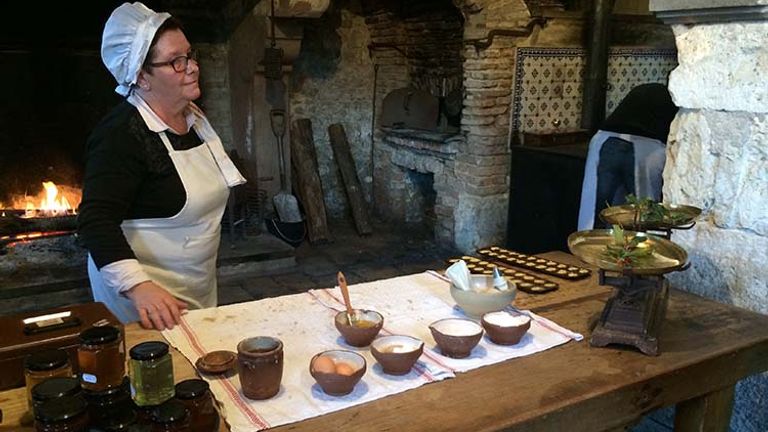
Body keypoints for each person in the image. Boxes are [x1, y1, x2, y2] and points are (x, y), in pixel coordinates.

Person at [78, 2, 246, 330]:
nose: (193, 67)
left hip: (195, 288)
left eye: (190, 55)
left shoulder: (194, 119)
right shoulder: (121, 135)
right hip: (143, 303)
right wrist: (139, 288)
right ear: (141, 77)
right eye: (176, 62)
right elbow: (95, 223)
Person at [577, 82, 679, 230]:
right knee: (644, 212)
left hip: (605, 140)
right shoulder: (677, 100)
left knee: (595, 208)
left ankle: (586, 248)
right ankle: (643, 250)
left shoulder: (646, 89)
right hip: (647, 147)